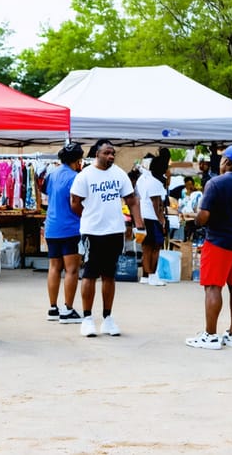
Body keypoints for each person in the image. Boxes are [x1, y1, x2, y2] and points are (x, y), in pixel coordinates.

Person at [186, 145, 232, 350]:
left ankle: (210, 336)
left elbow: (204, 216)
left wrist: (197, 219)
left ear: (226, 161)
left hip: (219, 242)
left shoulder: (215, 184)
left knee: (213, 286)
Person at [70, 139, 144, 338]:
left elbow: (131, 200)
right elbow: (75, 203)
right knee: (89, 275)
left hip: (114, 232)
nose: (111, 156)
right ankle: (87, 319)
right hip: (92, 232)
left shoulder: (119, 174)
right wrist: (90, 216)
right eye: (107, 153)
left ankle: (107, 318)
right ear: (97, 154)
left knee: (109, 275)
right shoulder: (84, 176)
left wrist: (140, 226)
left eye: (113, 153)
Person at [43, 142, 84, 323]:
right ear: (78, 160)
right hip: (70, 227)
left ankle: (53, 308)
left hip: (52, 227)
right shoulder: (76, 177)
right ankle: (67, 309)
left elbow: (45, 192)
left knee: (54, 267)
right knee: (71, 270)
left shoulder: (51, 174)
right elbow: (77, 202)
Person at [136, 154, 169, 286]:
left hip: (144, 216)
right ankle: (153, 275)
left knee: (146, 248)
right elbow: (157, 204)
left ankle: (145, 275)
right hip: (153, 218)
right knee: (156, 247)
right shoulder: (155, 183)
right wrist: (162, 221)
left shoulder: (142, 179)